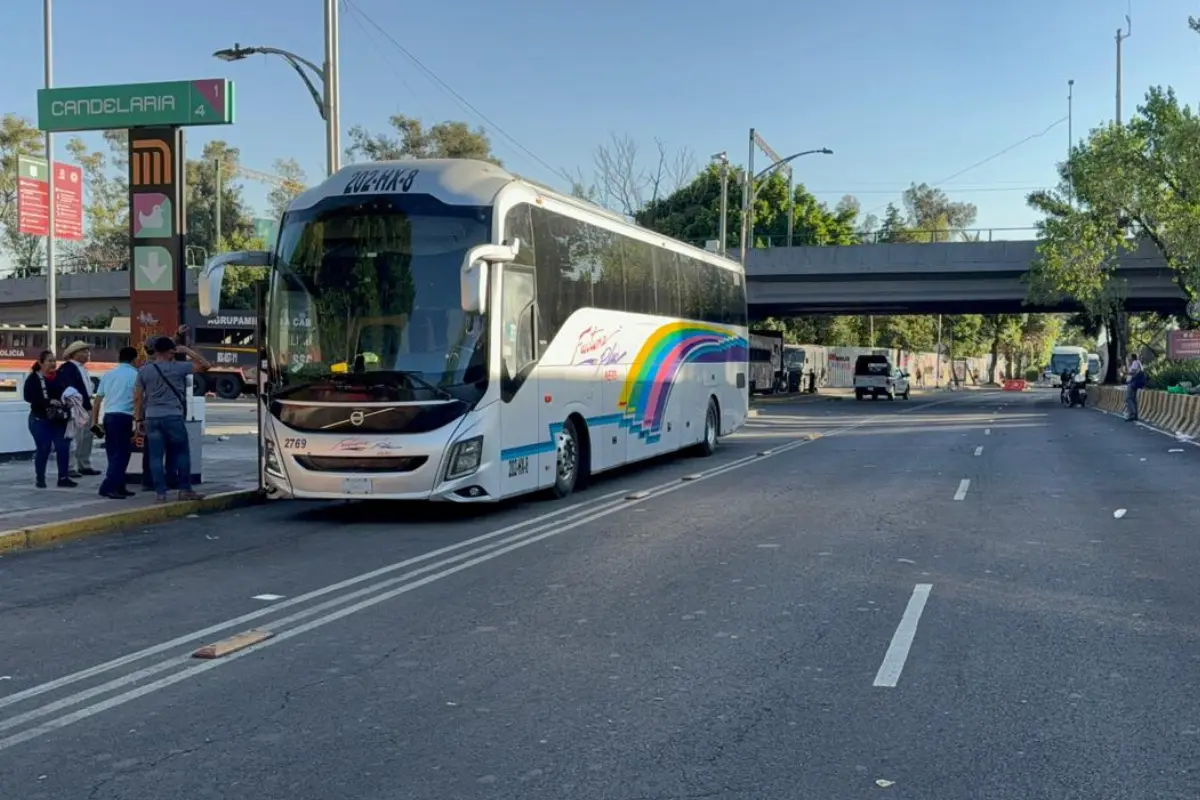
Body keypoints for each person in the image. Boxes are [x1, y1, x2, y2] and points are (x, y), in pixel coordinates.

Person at [134, 334, 211, 502]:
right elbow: (206, 365)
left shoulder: (144, 370)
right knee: (182, 453)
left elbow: (138, 398)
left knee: (155, 456)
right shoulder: (178, 367)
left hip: (151, 418)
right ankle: (185, 490)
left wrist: (138, 419)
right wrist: (187, 350)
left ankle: (160, 493)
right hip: (173, 416)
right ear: (171, 351)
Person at [91, 346, 140, 499]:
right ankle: (108, 486)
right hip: (124, 417)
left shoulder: (108, 374)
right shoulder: (136, 375)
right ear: (134, 359)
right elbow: (138, 399)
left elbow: (98, 400)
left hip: (109, 417)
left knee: (113, 453)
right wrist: (139, 421)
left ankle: (119, 485)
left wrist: (95, 422)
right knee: (122, 454)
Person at [22, 350, 75, 488]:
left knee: (63, 447)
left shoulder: (61, 377)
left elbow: (70, 392)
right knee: (44, 447)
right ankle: (40, 478)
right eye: (49, 361)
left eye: (54, 361)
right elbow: (28, 397)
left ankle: (63, 477)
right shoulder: (34, 378)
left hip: (59, 418)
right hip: (40, 419)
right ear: (41, 363)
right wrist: (48, 401)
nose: (53, 364)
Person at [56, 340, 100, 478]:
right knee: (75, 437)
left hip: (86, 405)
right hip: (77, 407)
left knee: (86, 437)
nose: (88, 354)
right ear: (74, 354)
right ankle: (71, 466)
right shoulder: (68, 368)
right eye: (84, 351)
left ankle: (83, 464)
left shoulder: (81, 368)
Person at [1125, 352, 1145, 422]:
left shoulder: (1135, 363)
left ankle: (1132, 414)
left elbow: (1132, 372)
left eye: (1130, 357)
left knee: (1128, 398)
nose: (1129, 358)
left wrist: (1128, 368)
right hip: (1135, 383)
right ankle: (1135, 415)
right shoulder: (1138, 363)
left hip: (1132, 383)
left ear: (1132, 357)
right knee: (1133, 399)